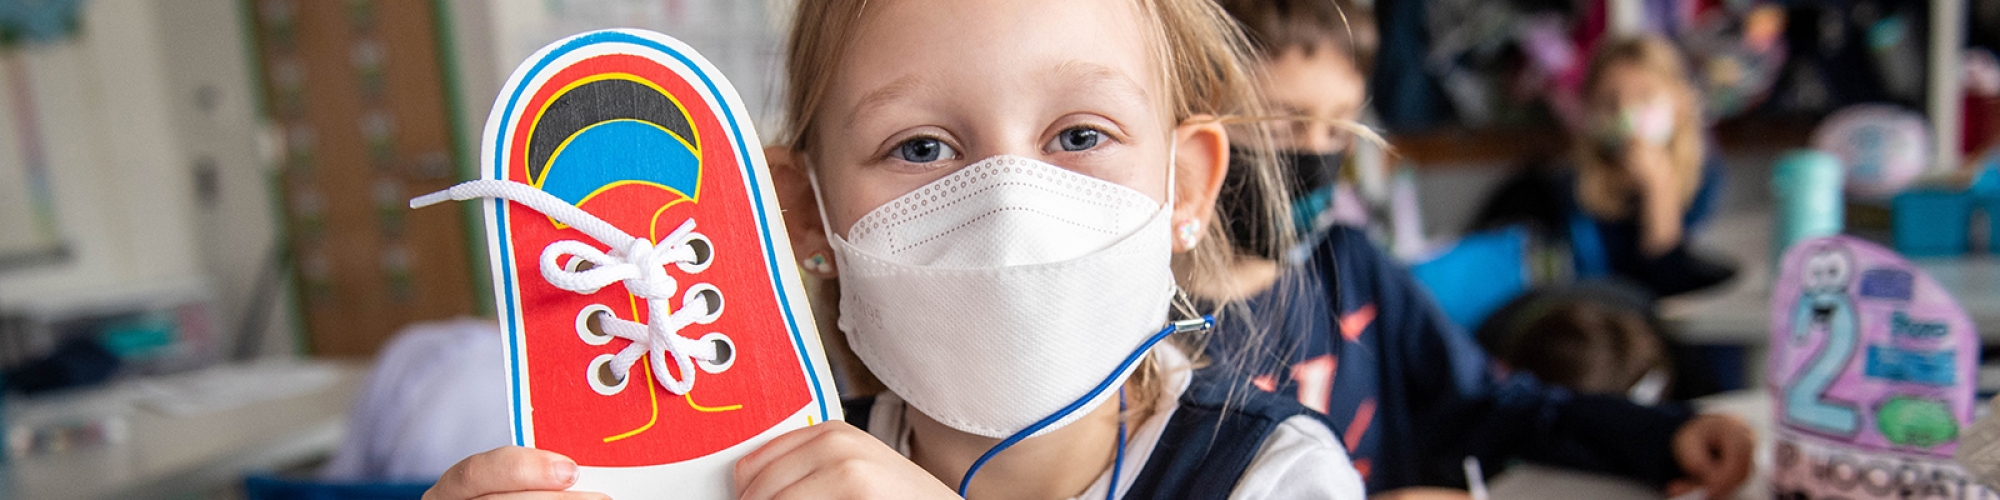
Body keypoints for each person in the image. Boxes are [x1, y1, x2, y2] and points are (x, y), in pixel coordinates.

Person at [422, 0, 1366, 498]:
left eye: (1080, 135)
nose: (1006, 204)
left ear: (1188, 187)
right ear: (803, 213)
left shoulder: (1276, 476)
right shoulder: (746, 479)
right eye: (921, 148)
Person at [1206, 1, 1755, 498]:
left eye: (1337, 128)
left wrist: (1667, 436)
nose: (1315, 156)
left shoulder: (1350, 267)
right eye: (1282, 125)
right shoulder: (1153, 334)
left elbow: (1498, 404)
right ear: (1199, 123)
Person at [1471, 35, 1736, 297]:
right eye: (1610, 102)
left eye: (1644, 96)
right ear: (1590, 112)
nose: (1625, 113)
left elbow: (1677, 287)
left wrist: (1659, 189)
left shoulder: (1705, 180)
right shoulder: (1561, 192)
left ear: (1679, 101)